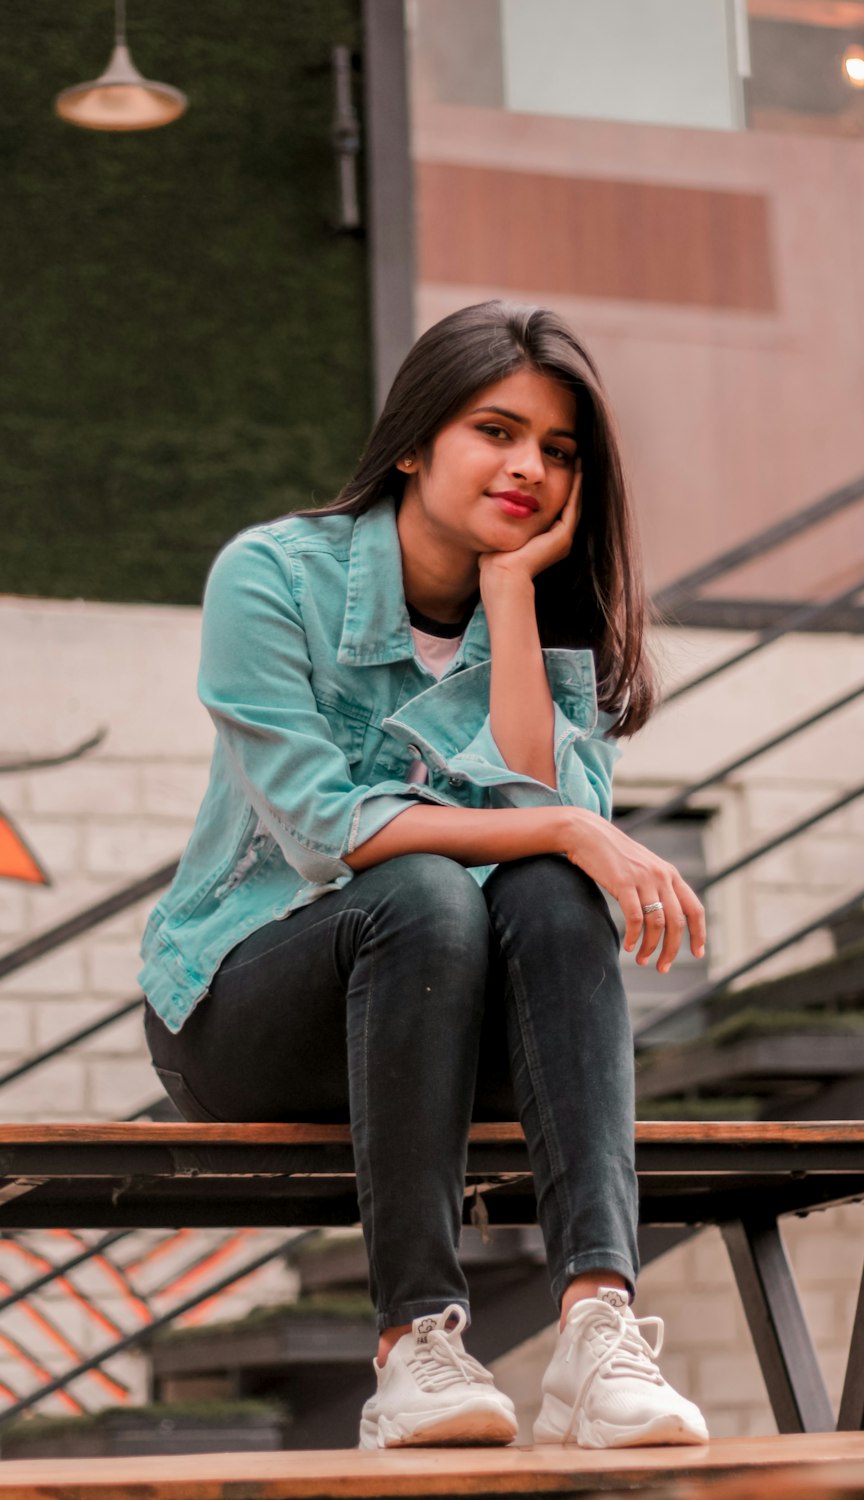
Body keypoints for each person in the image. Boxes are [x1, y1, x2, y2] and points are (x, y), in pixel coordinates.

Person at [139, 300, 709, 1450]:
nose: (527, 468)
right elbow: (322, 830)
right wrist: (569, 831)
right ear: (412, 440)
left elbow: (541, 829)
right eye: (495, 431)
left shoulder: (553, 617)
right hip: (247, 1017)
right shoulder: (273, 575)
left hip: (462, 1033)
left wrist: (509, 601)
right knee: (427, 885)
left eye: (557, 450)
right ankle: (415, 1347)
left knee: (546, 885)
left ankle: (598, 1329)